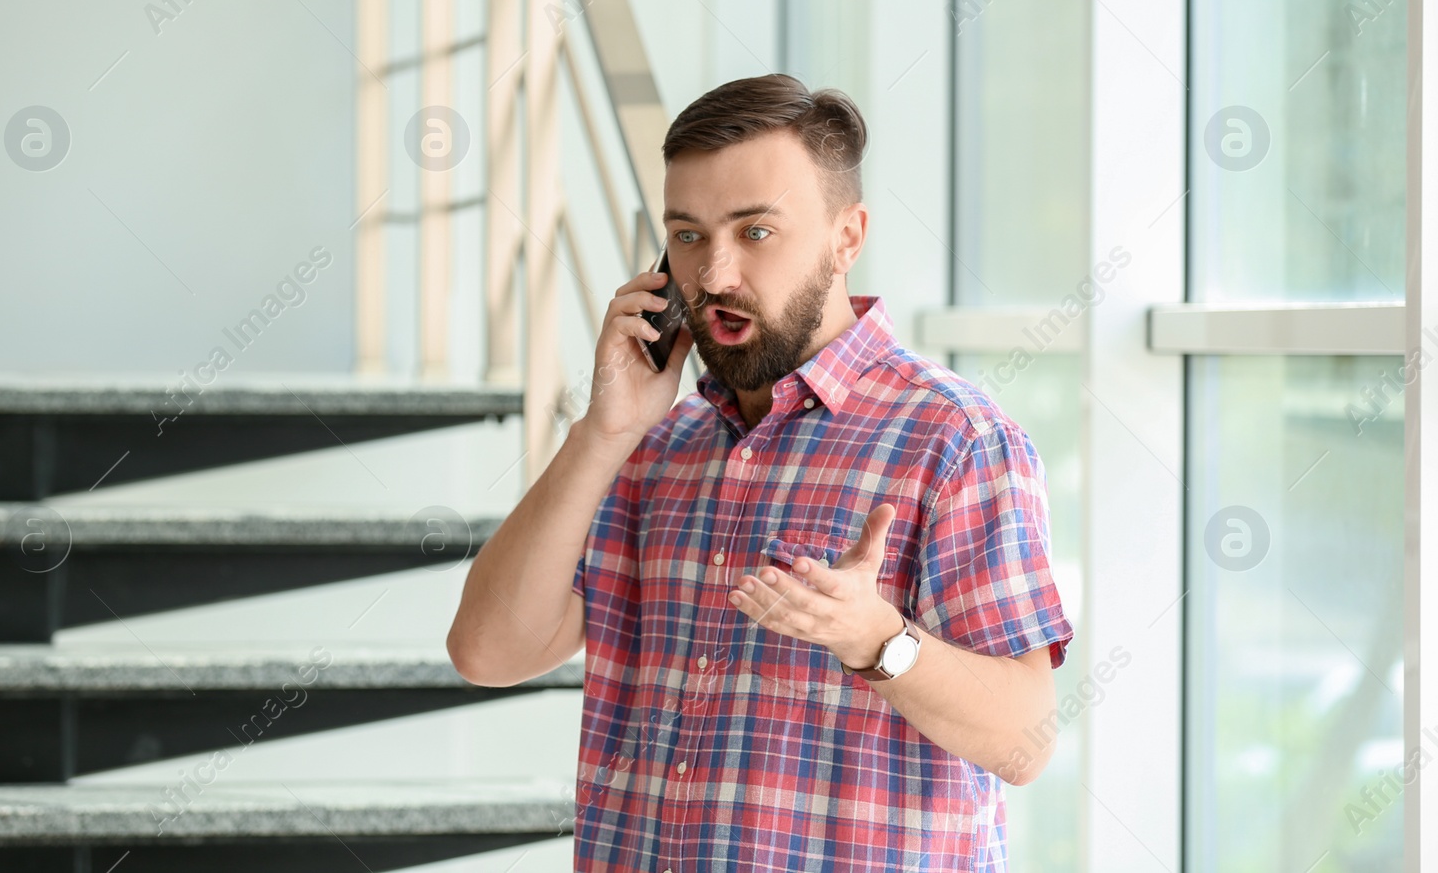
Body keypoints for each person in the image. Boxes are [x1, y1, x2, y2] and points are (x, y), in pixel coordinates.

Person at [448, 73, 1075, 870]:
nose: (713, 275)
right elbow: (487, 650)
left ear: (847, 237)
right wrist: (604, 429)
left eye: (756, 233)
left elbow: (1026, 742)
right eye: (688, 235)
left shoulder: (956, 441)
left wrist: (874, 637)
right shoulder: (649, 449)